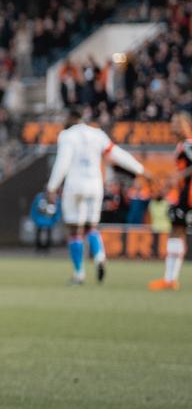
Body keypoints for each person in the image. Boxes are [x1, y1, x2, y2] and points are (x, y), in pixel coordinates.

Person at [45, 107, 144, 285]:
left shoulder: (67, 136)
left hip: (75, 185)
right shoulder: (97, 134)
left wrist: (52, 187)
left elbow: (63, 162)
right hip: (95, 185)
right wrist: (140, 169)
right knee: (92, 227)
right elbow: (117, 154)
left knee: (75, 230)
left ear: (70, 118)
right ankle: (99, 257)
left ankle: (79, 273)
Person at [149, 110, 191, 291]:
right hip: (184, 193)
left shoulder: (188, 145)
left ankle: (170, 279)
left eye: (177, 123)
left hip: (189, 196)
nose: (173, 127)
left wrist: (179, 177)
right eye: (172, 123)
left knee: (177, 231)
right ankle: (170, 279)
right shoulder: (182, 145)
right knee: (177, 231)